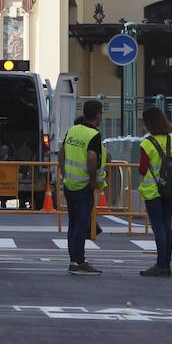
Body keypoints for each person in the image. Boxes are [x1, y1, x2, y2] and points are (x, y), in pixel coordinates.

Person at [59, 99, 106, 275]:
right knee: (82, 224)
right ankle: (79, 261)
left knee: (73, 224)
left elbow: (62, 152)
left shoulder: (73, 130)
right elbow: (92, 158)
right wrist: (93, 180)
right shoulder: (93, 135)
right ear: (98, 115)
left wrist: (64, 174)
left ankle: (74, 259)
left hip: (70, 184)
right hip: (84, 185)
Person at [138, 106, 172, 277]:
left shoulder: (147, 143)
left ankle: (160, 265)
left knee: (158, 227)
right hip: (170, 189)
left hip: (153, 190)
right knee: (166, 225)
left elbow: (142, 169)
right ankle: (167, 265)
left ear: (149, 123)